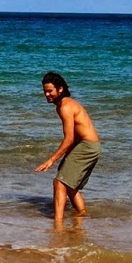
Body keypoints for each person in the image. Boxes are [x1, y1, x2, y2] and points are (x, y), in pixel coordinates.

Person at [34, 71, 101, 225]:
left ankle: (58, 224)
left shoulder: (65, 106)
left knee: (59, 182)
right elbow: (75, 135)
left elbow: (69, 138)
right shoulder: (62, 105)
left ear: (60, 89)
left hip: (87, 146)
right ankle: (81, 215)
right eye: (45, 91)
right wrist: (68, 154)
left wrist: (51, 160)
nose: (47, 94)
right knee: (69, 184)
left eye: (50, 91)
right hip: (88, 146)